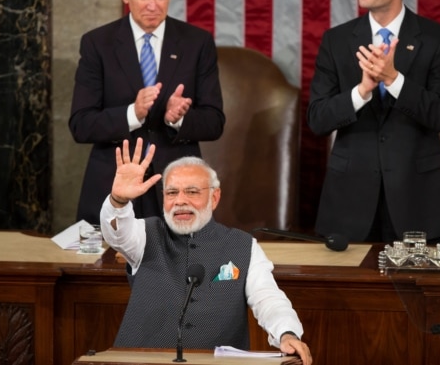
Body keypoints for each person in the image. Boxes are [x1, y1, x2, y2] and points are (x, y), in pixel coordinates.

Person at [99, 137, 313, 365]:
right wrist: (118, 201)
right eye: (171, 193)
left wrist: (286, 333)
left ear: (215, 197)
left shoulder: (242, 245)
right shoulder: (144, 234)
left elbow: (267, 298)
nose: (180, 201)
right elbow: (116, 232)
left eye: (192, 192)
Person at [306, 0, 440, 244]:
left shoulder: (438, 40)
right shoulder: (337, 40)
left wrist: (393, 79)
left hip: (416, 199)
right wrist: (362, 90)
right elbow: (318, 119)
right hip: (350, 202)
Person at [69, 0, 224, 224]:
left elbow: (214, 121)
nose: (153, 5)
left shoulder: (197, 42)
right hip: (114, 186)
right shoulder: (97, 44)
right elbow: (81, 124)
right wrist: (133, 113)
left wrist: (178, 119)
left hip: (177, 189)